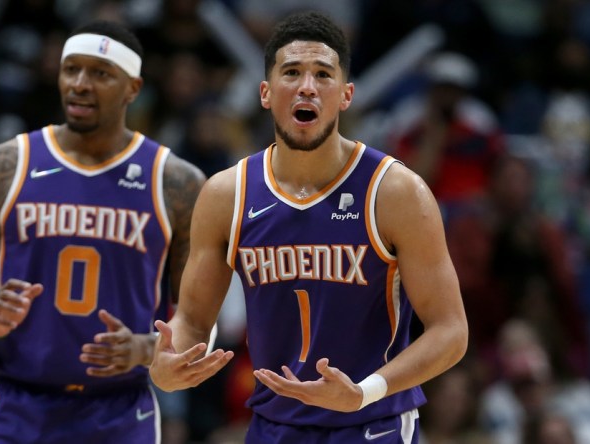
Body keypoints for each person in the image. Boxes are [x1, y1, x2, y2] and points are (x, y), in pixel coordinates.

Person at [149, 10, 468, 443]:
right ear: (265, 92)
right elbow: (193, 319)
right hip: (272, 427)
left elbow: (451, 331)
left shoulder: (396, 193)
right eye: (292, 72)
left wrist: (362, 392)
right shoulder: (227, 195)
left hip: (372, 424)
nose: (307, 86)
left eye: (323, 74)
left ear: (346, 95)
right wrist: (171, 363)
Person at [0, 20, 206, 443]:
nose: (80, 84)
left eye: (100, 73)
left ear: (132, 89)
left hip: (119, 411)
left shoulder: (177, 183)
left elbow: (198, 325)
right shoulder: (2, 166)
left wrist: (143, 348)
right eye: (71, 70)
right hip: (18, 405)